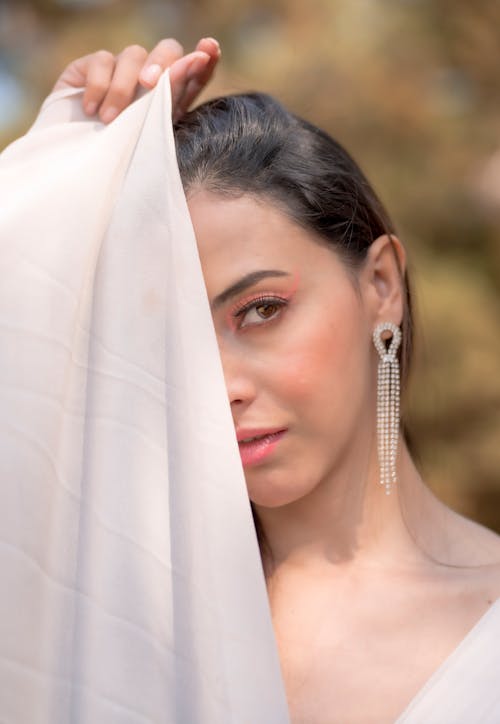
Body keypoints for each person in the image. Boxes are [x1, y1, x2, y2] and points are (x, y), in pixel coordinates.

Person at [47, 38, 500, 722]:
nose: (218, 384)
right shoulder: (113, 629)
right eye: (178, 343)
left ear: (381, 284)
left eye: (260, 311)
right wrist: (58, 154)